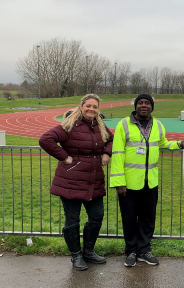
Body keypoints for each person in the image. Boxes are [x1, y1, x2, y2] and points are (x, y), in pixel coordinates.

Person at [110, 93, 184, 267]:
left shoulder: (157, 124)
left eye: (147, 103)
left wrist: (180, 143)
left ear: (151, 107)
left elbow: (163, 143)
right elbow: (117, 153)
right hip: (129, 183)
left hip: (151, 182)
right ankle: (131, 251)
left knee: (148, 218)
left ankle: (144, 250)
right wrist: (119, 182)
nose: (144, 105)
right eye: (140, 103)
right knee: (129, 218)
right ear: (135, 106)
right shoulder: (123, 125)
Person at [39, 94, 113, 271]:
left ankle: (88, 251)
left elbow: (110, 140)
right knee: (72, 220)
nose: (91, 109)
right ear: (81, 106)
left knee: (97, 216)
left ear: (98, 109)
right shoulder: (69, 124)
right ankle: (76, 255)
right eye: (88, 106)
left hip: (94, 180)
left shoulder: (100, 125)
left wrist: (107, 153)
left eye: (95, 107)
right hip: (71, 180)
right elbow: (45, 139)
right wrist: (64, 157)